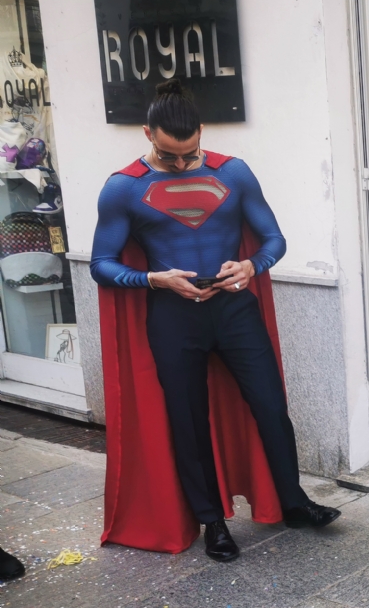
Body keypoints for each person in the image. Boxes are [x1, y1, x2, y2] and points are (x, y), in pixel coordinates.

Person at [90, 79, 340, 563]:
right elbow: (101, 264)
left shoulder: (235, 173)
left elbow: (273, 239)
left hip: (234, 310)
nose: (181, 164)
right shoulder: (122, 187)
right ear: (147, 134)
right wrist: (154, 280)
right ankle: (213, 523)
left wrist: (252, 266)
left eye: (190, 153)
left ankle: (294, 502)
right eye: (169, 156)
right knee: (188, 421)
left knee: (270, 406)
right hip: (173, 316)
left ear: (201, 133)